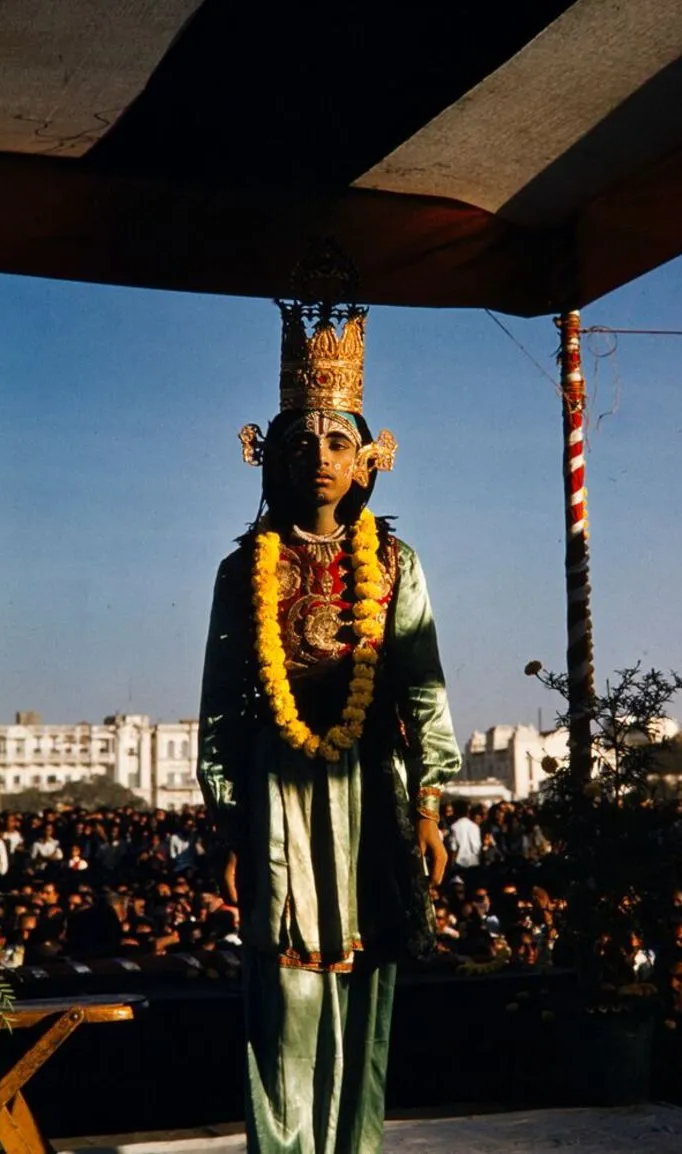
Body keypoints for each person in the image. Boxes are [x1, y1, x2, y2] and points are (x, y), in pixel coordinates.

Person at [197, 245, 461, 1153]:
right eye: (302, 441)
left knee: (364, 982)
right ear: (269, 457)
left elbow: (424, 687)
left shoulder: (396, 564)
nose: (320, 455)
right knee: (287, 993)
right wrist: (231, 823)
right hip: (277, 790)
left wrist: (429, 807)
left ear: (368, 459)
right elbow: (224, 702)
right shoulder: (245, 571)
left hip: (374, 791)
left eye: (338, 440)